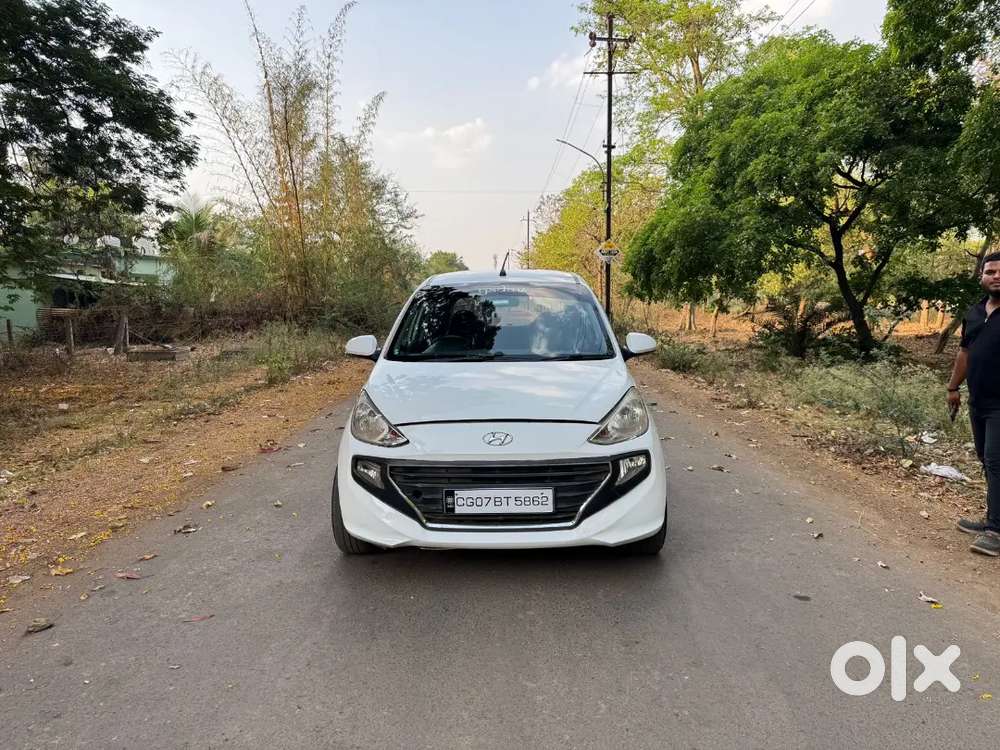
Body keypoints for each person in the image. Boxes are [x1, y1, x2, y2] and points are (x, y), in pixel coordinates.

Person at [949, 252, 1000, 556]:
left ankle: (996, 530)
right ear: (981, 276)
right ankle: (992, 518)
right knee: (986, 460)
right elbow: (964, 354)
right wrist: (953, 387)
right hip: (977, 400)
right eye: (990, 271)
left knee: (996, 462)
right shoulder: (975, 312)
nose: (996, 276)